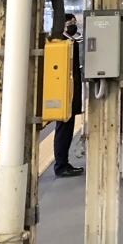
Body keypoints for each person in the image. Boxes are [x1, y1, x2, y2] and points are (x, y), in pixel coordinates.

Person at [54, 13, 84, 178]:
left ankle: (63, 163)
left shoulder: (70, 41)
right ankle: (61, 165)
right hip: (64, 92)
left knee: (67, 128)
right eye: (70, 22)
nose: (74, 25)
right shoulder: (61, 43)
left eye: (74, 22)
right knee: (63, 129)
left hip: (70, 91)